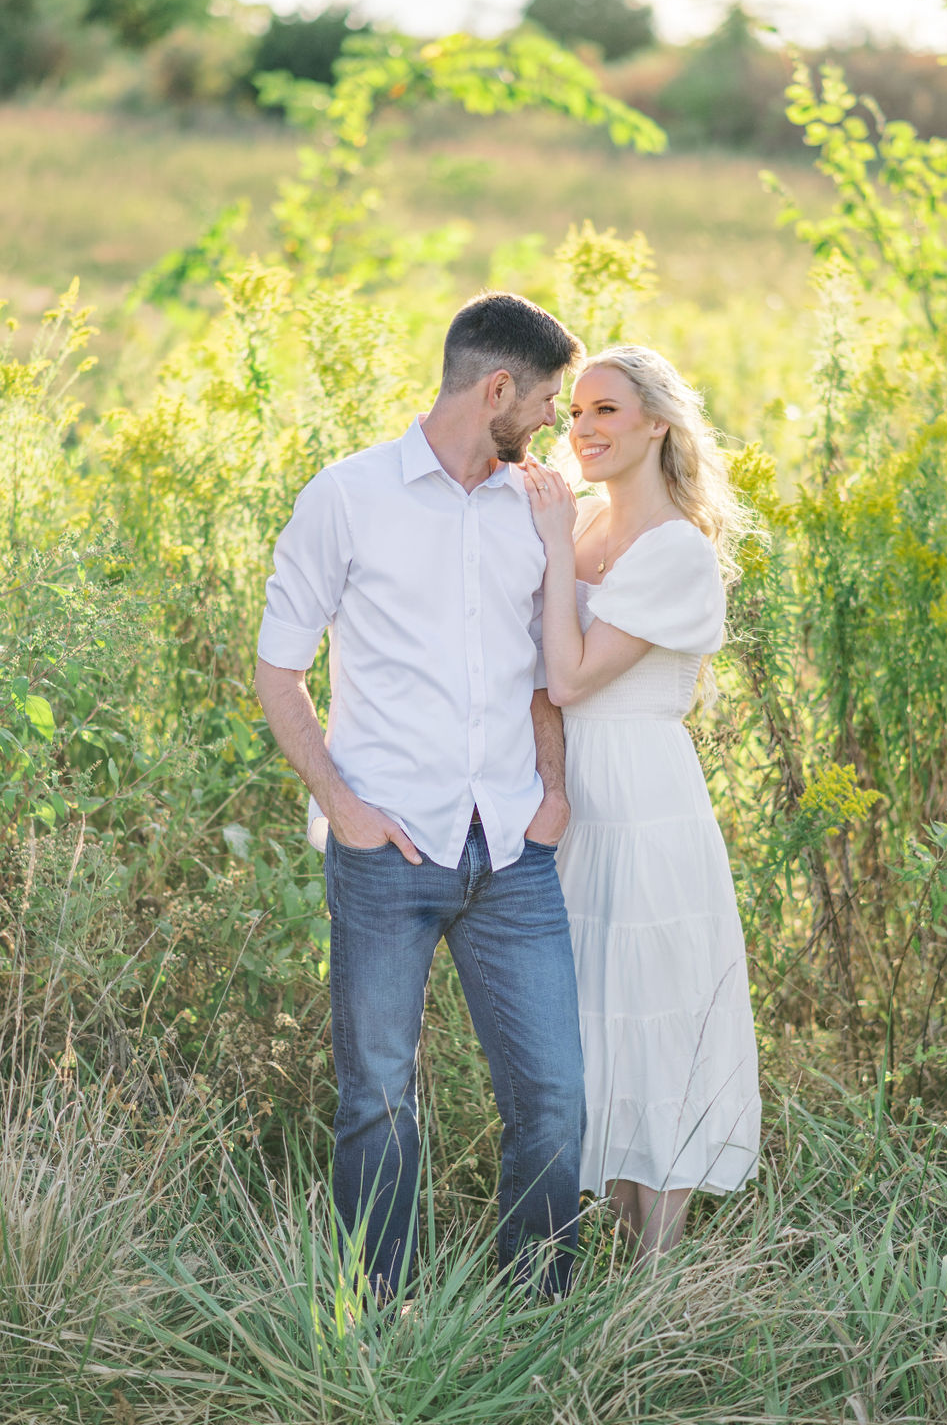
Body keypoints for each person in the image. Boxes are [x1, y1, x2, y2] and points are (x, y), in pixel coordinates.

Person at [253, 292, 587, 1301]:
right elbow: (278, 670)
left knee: (555, 1098)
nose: (551, 422)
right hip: (384, 852)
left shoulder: (534, 503)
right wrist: (341, 805)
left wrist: (555, 791)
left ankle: (534, 1305)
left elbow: (541, 672)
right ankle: (376, 1312)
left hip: (514, 856)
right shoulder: (347, 497)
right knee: (376, 1103)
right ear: (495, 389)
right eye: (543, 400)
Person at [521, 343, 761, 1255]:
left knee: (655, 1016)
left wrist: (546, 548)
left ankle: (658, 1278)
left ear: (657, 422)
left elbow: (573, 678)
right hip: (567, 795)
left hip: (642, 798)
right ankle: (606, 1246)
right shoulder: (577, 522)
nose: (581, 429)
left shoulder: (676, 552)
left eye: (606, 411)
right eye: (575, 412)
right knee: (589, 1023)